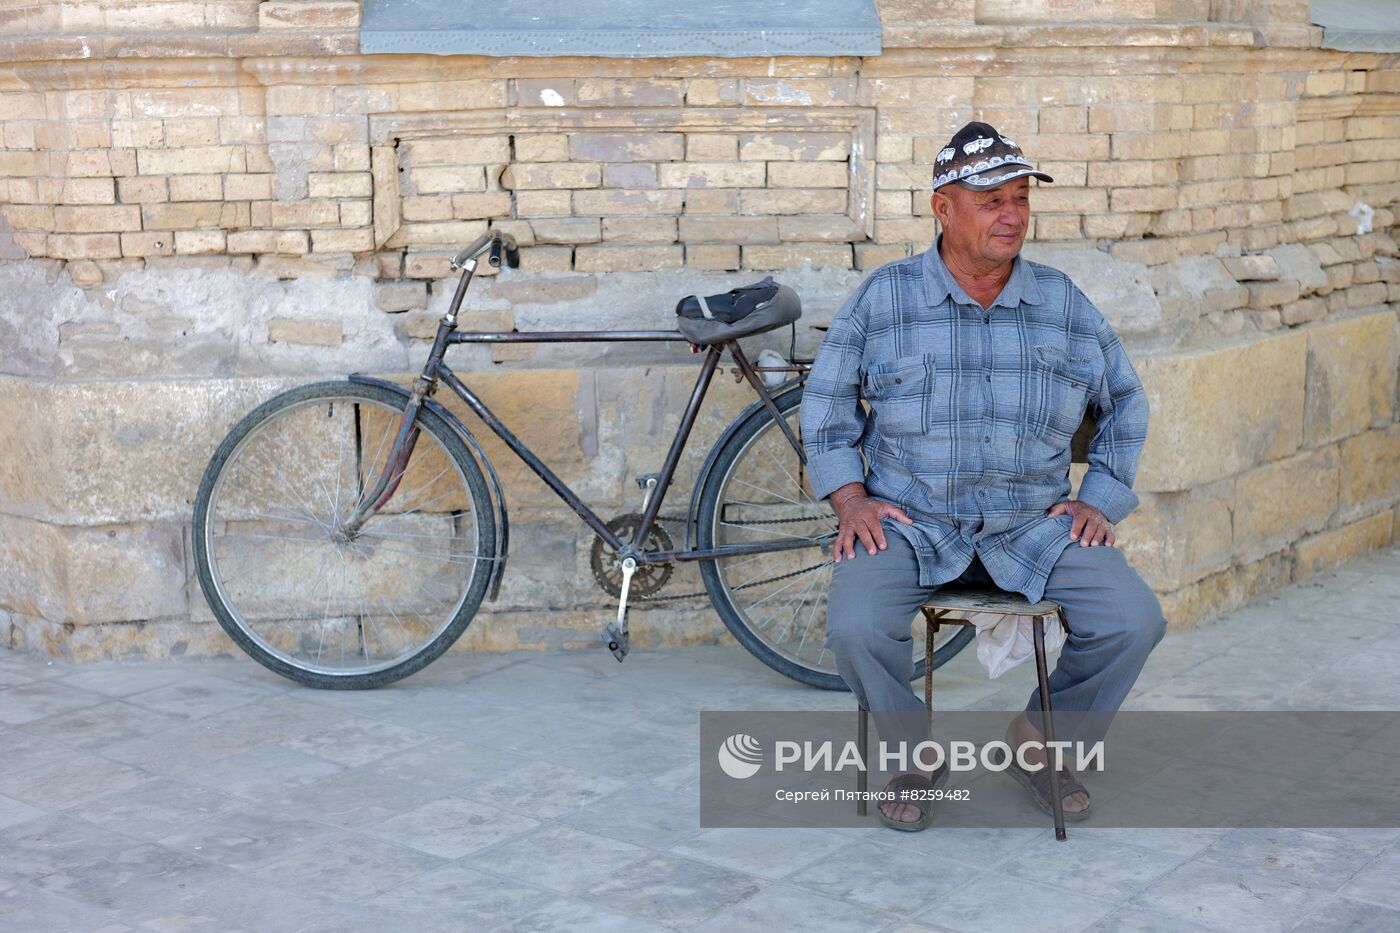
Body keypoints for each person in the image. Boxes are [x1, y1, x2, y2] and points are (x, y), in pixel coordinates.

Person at [800, 121, 1167, 830]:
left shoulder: (1061, 303)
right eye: (992, 199)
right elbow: (825, 401)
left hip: (1032, 525)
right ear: (944, 208)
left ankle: (1040, 742)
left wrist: (1100, 496)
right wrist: (850, 497)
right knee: (854, 626)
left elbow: (1126, 399)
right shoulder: (885, 299)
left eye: (1021, 198)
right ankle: (914, 752)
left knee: (1131, 620)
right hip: (910, 522)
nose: (1012, 215)